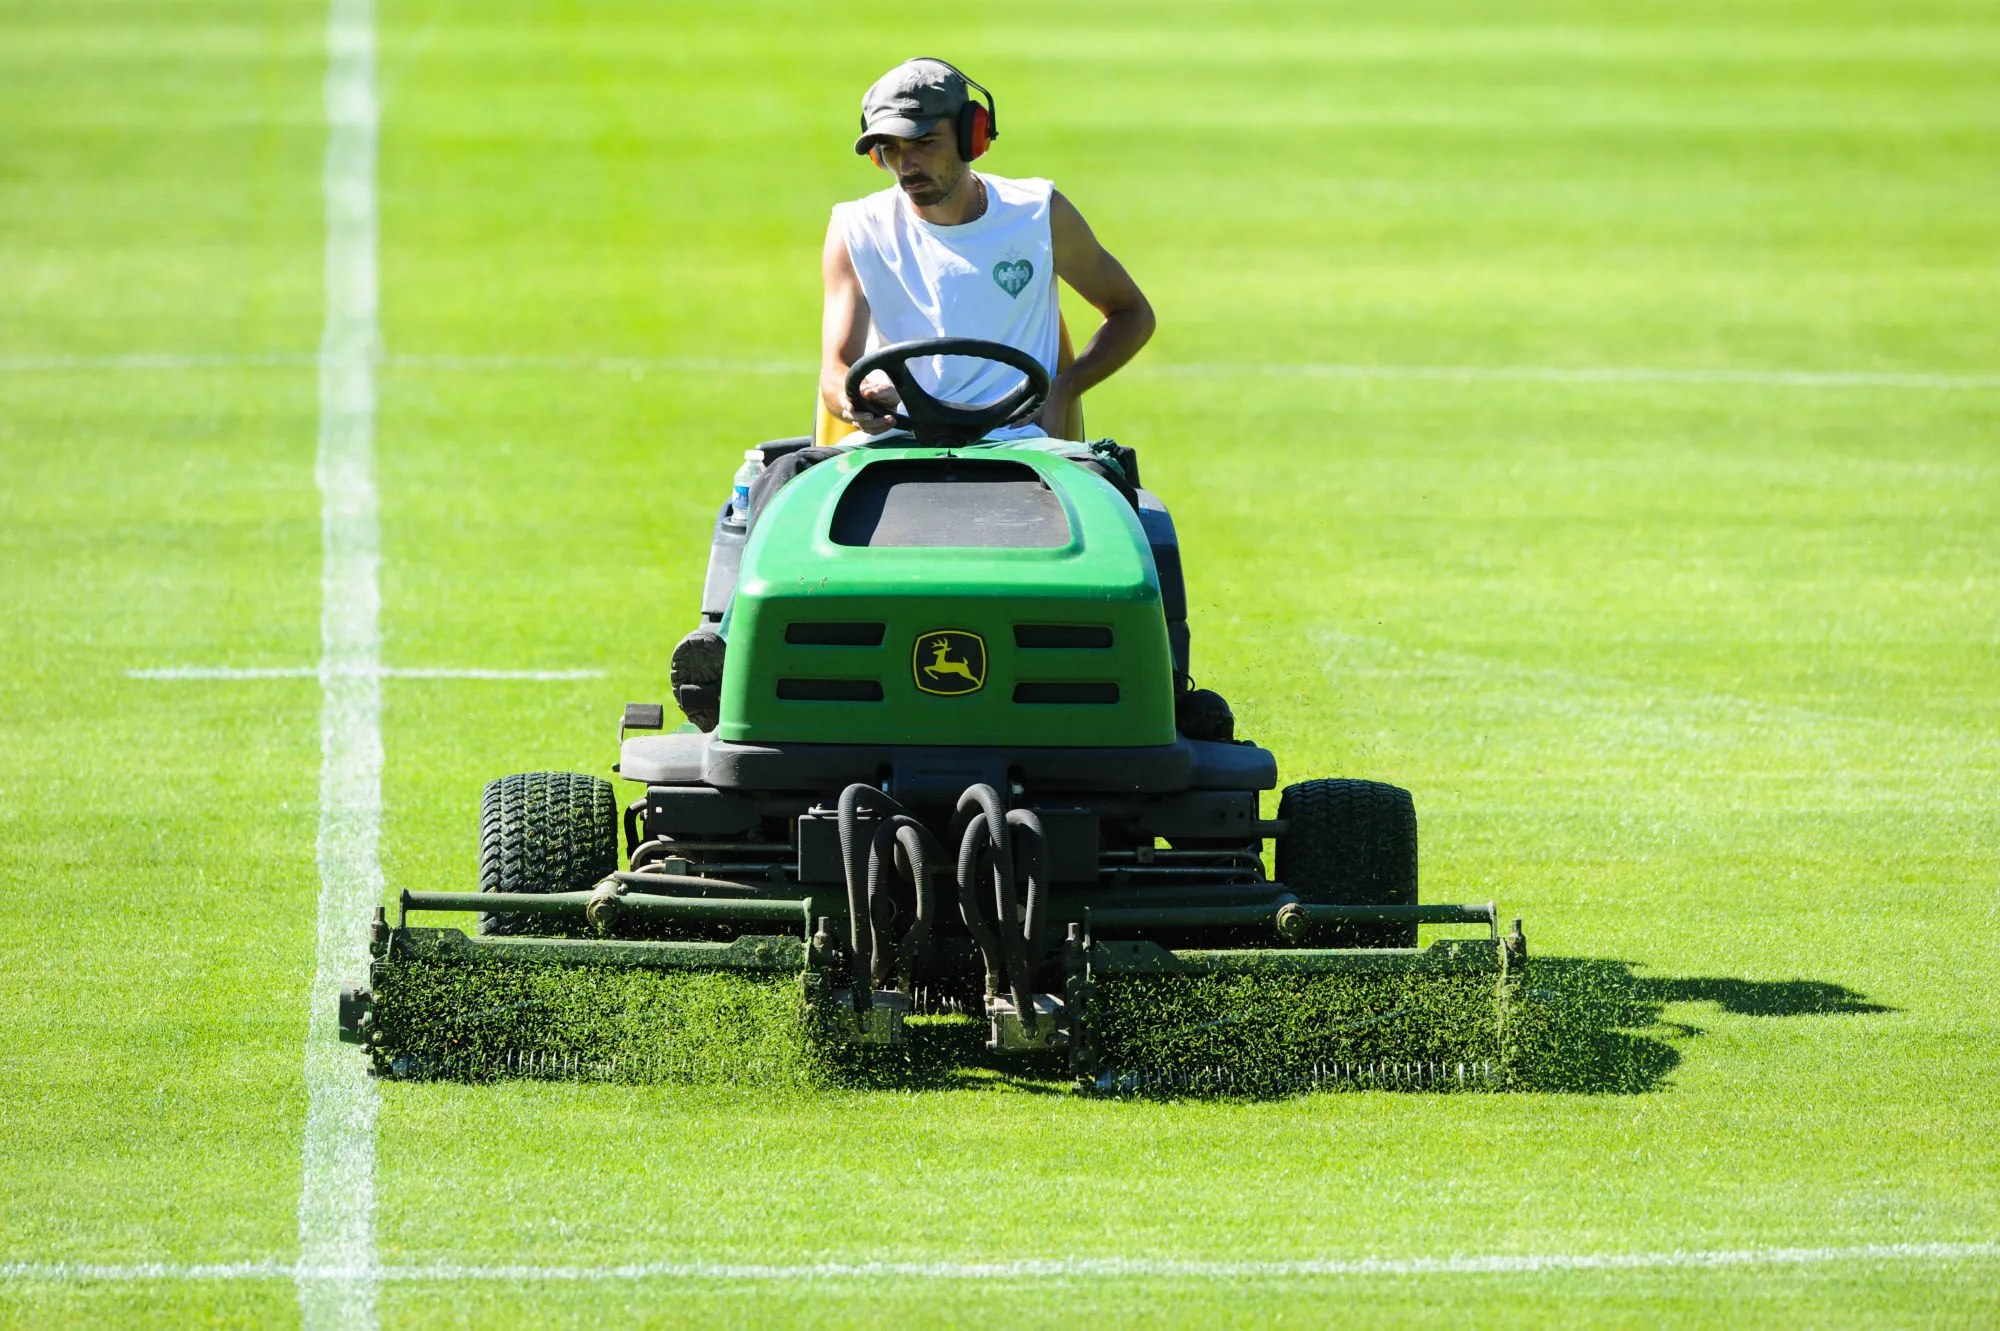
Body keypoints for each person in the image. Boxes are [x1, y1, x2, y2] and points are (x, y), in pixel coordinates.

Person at [671, 57, 1233, 740]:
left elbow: (1129, 313)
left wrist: (1066, 385)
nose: (906, 164)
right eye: (890, 149)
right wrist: (856, 398)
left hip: (1021, 443)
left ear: (973, 134)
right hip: (889, 440)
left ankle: (1163, 682)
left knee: (1122, 508)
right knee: (774, 481)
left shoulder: (1037, 213)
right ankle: (727, 653)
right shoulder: (856, 228)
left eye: (924, 143)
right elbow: (834, 366)